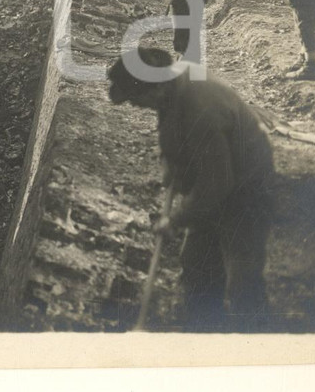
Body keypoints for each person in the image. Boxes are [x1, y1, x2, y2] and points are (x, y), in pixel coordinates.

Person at [107, 47, 275, 332]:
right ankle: (205, 331)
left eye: (136, 99)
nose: (135, 106)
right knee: (197, 263)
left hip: (246, 185)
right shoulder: (172, 85)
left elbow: (217, 184)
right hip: (212, 175)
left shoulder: (201, 107)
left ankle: (254, 342)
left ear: (156, 88)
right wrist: (169, 164)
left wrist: (176, 219)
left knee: (242, 277)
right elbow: (170, 125)